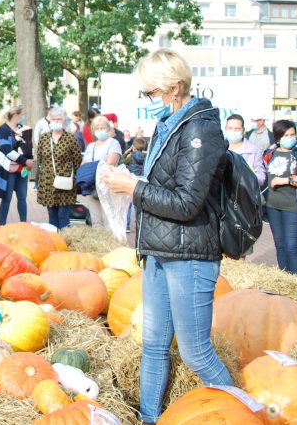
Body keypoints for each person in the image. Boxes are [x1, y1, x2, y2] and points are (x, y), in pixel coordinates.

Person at [101, 49, 232, 423]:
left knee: (195, 353)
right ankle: (148, 417)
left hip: (190, 253)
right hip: (159, 250)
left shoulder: (200, 128)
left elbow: (188, 202)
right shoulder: (168, 124)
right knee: (154, 346)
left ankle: (245, 411)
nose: (147, 101)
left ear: (175, 87)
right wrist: (127, 175)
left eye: (151, 93)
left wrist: (133, 188)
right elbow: (164, 180)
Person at [263, 119, 297, 275]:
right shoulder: (270, 152)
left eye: (292, 134)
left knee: (291, 245)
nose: (290, 137)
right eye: (286, 135)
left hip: (293, 206)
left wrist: (286, 180)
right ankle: (285, 278)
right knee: (279, 245)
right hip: (273, 205)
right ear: (278, 137)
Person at [36, 107, 81, 229]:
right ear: (49, 121)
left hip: (64, 183)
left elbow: (77, 161)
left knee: (63, 215)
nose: (56, 121)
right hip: (48, 183)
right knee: (52, 215)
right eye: (53, 119)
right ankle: (54, 241)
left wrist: (73, 178)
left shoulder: (70, 139)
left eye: (59, 119)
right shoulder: (44, 138)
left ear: (64, 120)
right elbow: (39, 158)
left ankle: (64, 242)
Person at [0, 106, 34, 225]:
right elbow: (6, 149)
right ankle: (2, 225)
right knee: (6, 198)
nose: (22, 117)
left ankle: (24, 224)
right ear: (16, 115)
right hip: (8, 170)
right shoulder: (3, 130)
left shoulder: (23, 129)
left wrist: (30, 160)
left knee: (22, 198)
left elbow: (29, 146)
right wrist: (25, 161)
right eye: (21, 115)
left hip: (22, 170)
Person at [224, 114, 267, 187]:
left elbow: (261, 177)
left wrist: (246, 178)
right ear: (225, 129)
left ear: (243, 130)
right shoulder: (218, 149)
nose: (233, 131)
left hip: (244, 194)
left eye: (237, 129)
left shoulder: (254, 151)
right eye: (230, 128)